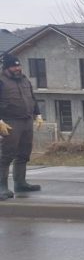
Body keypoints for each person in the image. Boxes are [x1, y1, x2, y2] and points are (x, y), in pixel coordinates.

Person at [0, 52, 44, 200]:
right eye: (14, 67)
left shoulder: (25, 80)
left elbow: (32, 98)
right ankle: (2, 187)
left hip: (26, 120)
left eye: (19, 66)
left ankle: (20, 183)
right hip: (9, 122)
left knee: (24, 153)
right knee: (6, 155)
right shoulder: (1, 81)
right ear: (7, 68)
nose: (18, 69)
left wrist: (38, 114)